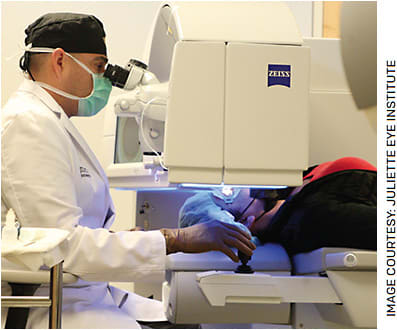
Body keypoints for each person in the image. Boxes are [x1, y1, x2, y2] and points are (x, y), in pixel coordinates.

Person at [1, 13, 255, 329]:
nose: (104, 79)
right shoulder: (29, 124)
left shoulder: (49, 122)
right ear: (60, 61)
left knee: (185, 320)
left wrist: (123, 238)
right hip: (55, 307)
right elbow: (60, 246)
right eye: (98, 66)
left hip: (84, 294)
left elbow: (60, 230)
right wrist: (174, 239)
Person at [180, 157, 377, 255]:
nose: (235, 185)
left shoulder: (287, 190)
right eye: (228, 194)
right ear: (244, 223)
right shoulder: (310, 220)